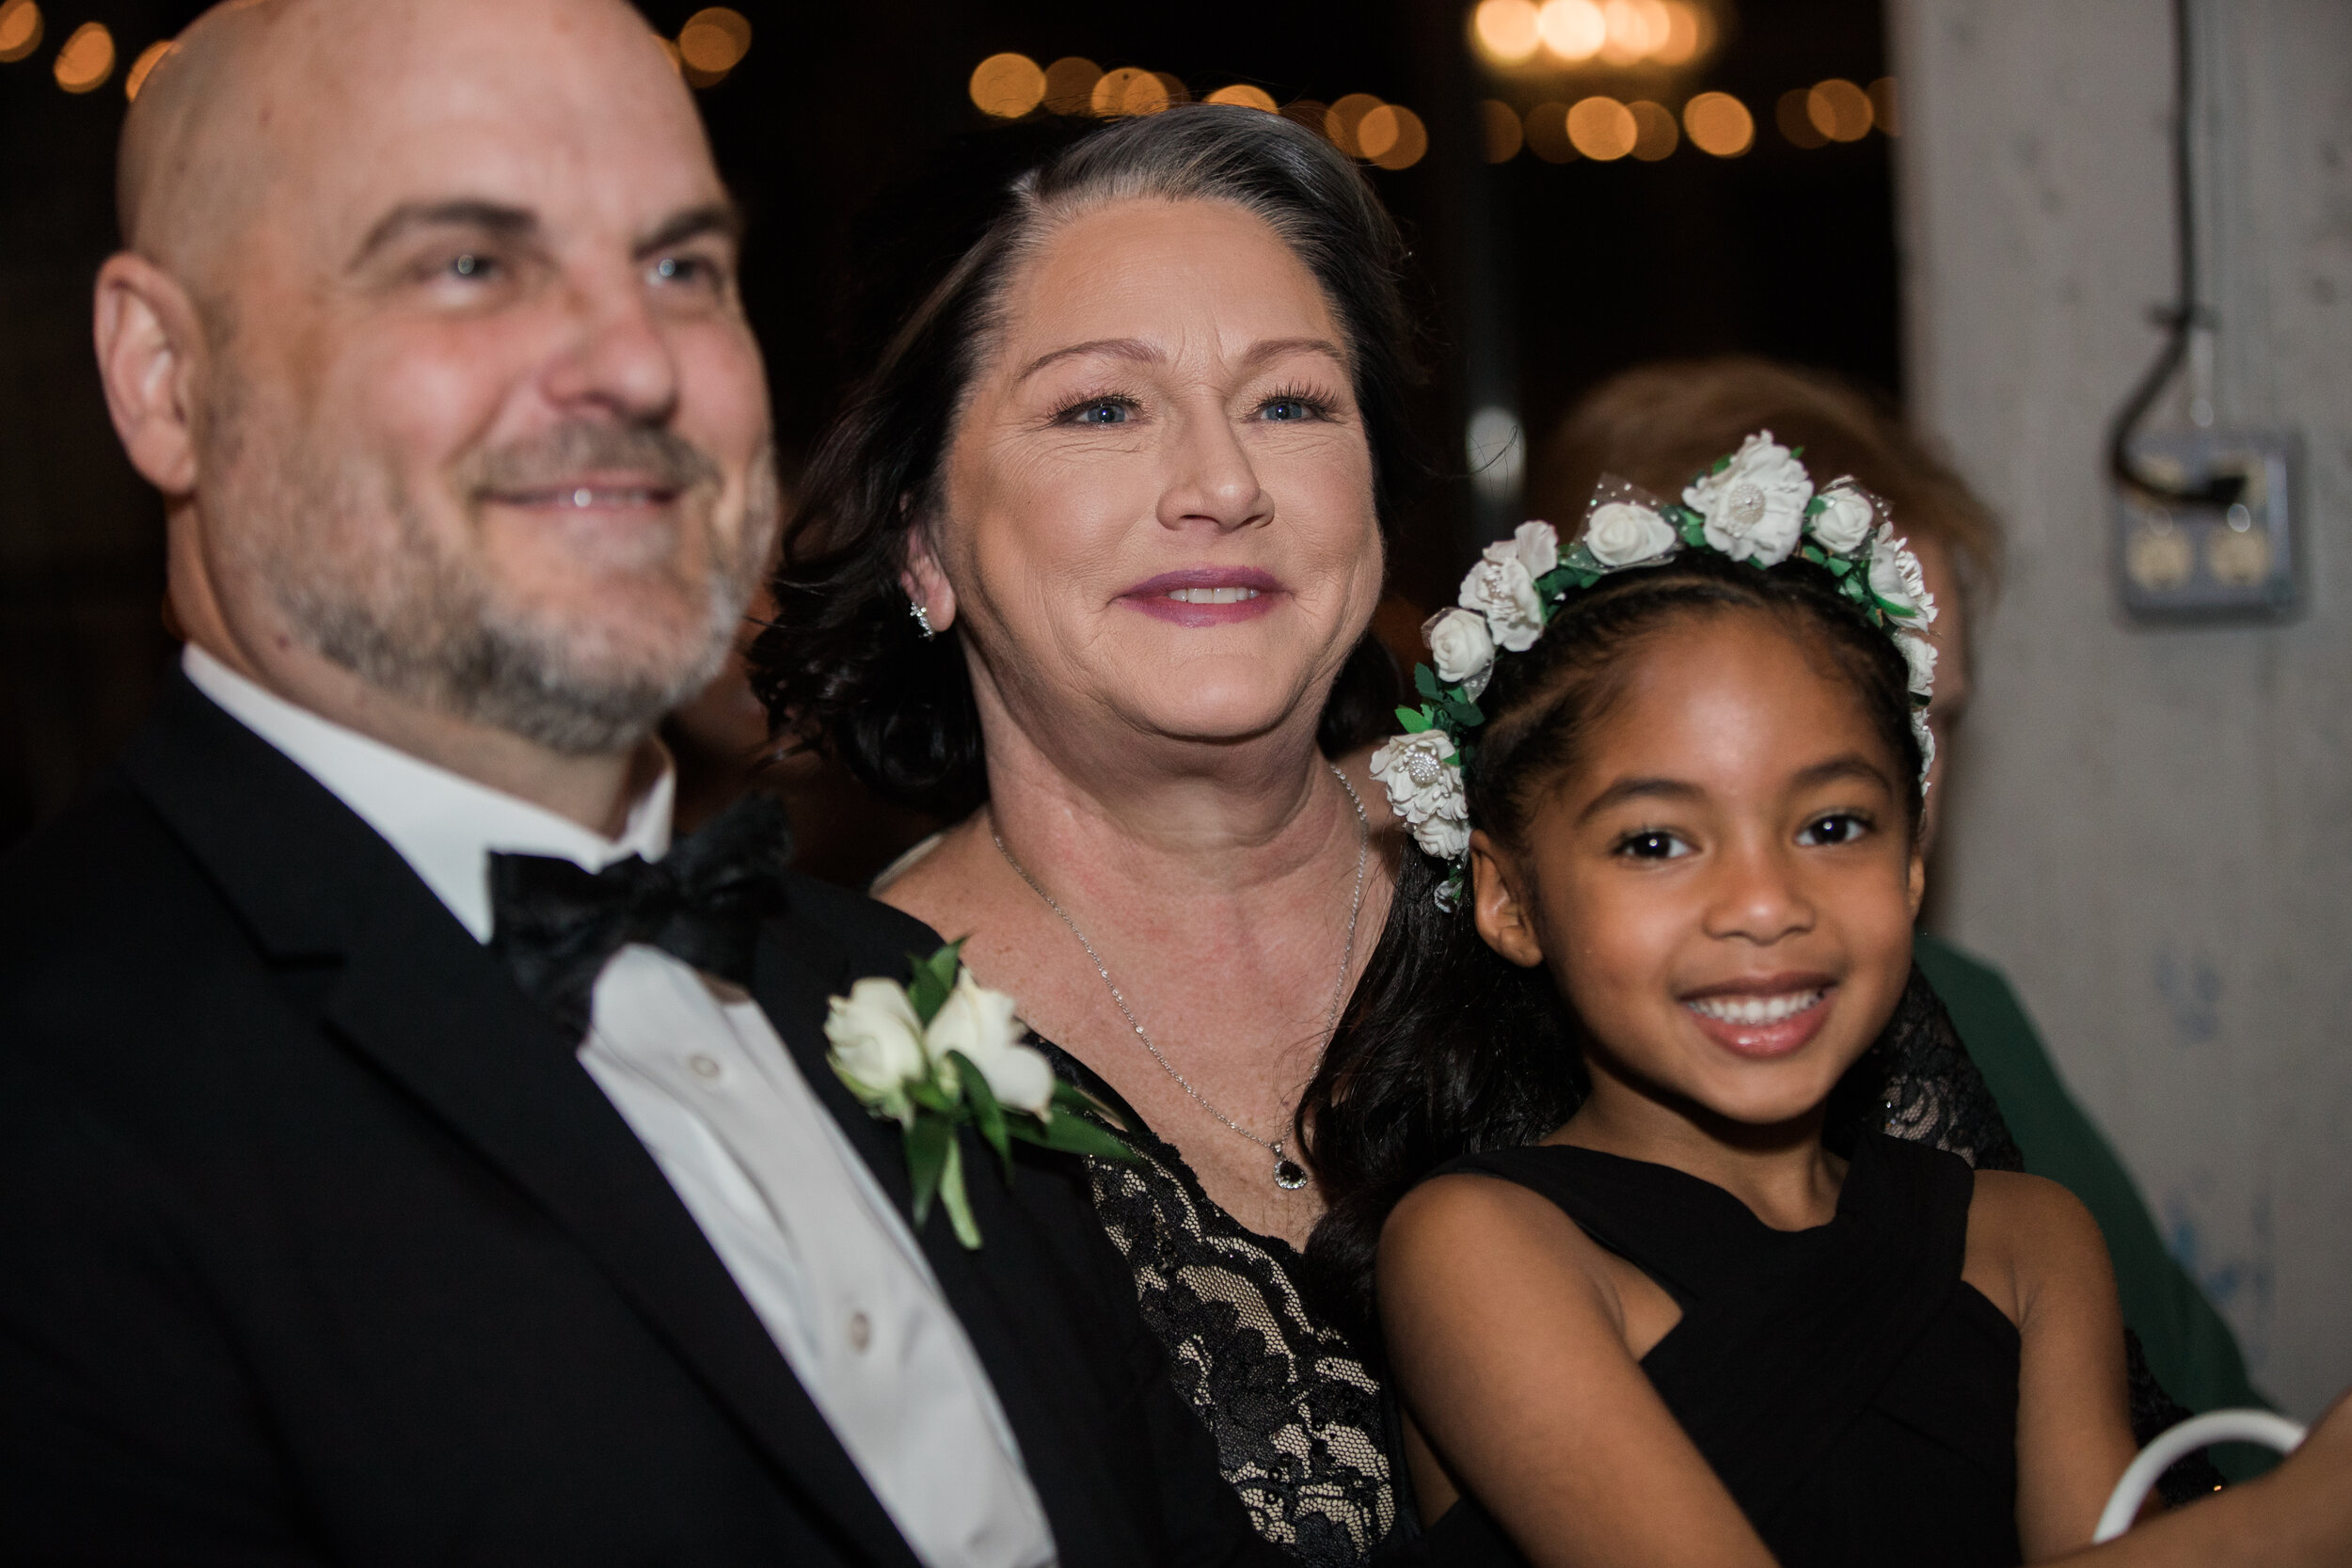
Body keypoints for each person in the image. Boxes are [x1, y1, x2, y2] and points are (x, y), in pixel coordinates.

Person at [0, 3, 1276, 1563]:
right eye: (469, 262)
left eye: (681, 269)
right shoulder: (58, 1094)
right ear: (163, 375)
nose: (630, 363)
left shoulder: (887, 978)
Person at [751, 108, 2015, 1564]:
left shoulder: (1644, 877)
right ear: (921, 536)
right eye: (1103, 407)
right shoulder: (829, 1058)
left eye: (1292, 403)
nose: (1222, 484)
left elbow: (2052, 1439)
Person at [1304, 436, 2352, 1566]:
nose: (1763, 901)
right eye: (1656, 841)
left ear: (1910, 867)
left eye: (1832, 826)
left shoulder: (2029, 1239)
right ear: (1508, 898)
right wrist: (2286, 1522)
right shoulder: (1483, 1247)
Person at [1533, 357, 2269, 1449]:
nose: (1901, 796)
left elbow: (2204, 1406)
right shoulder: (1489, 1161)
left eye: (1936, 728)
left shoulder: (1963, 1001)